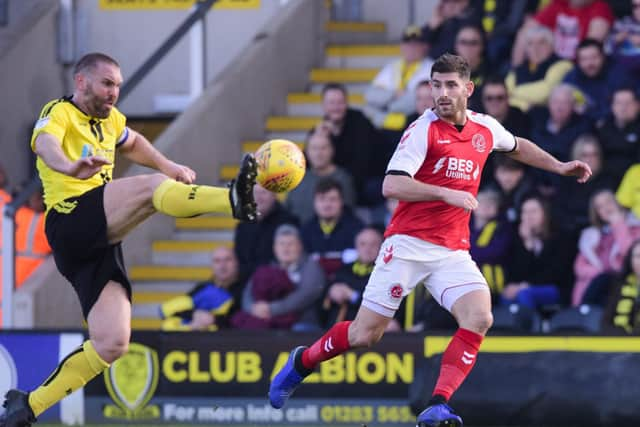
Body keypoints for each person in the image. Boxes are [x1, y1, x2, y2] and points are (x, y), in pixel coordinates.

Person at [267, 53, 592, 427]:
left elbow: (517, 146)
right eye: (436, 85)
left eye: (450, 85)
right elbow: (392, 184)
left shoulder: (484, 128)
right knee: (363, 335)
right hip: (407, 244)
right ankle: (302, 361)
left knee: (479, 316)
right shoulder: (423, 129)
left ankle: (437, 405)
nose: (441, 93)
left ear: (468, 89)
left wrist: (560, 165)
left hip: (452, 250)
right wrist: (446, 193)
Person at [0, 52, 258, 427]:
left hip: (96, 240)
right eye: (107, 83)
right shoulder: (58, 112)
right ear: (82, 82)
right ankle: (230, 199)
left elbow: (133, 141)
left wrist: (168, 165)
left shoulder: (111, 120)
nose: (114, 92)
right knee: (152, 189)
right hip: (70, 218)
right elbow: (45, 145)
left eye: (118, 85)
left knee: (113, 343)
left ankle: (28, 407)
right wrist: (69, 166)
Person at [159, 247, 242, 331]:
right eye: (217, 261)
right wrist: (194, 314)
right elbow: (171, 310)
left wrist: (213, 319)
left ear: (236, 262)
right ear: (212, 265)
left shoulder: (243, 289)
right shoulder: (203, 287)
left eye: (227, 260)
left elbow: (237, 318)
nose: (222, 265)